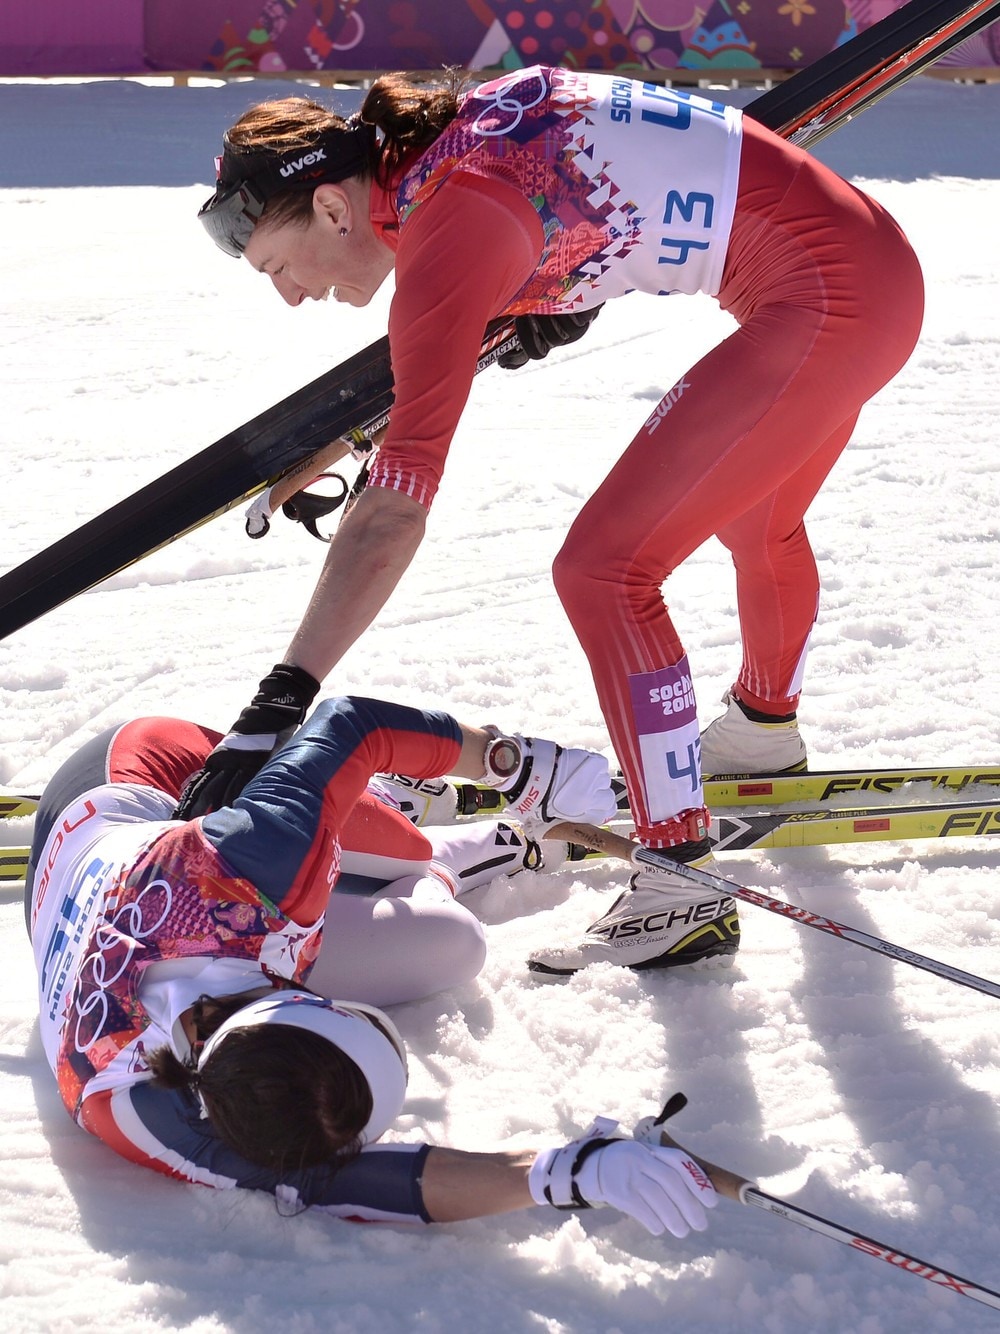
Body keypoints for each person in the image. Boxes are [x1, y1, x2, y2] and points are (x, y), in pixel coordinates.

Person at [191, 65, 924, 975]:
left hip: (824, 301)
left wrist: (283, 696)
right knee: (760, 519)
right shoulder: (448, 146)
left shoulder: (447, 227)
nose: (290, 295)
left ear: (335, 211)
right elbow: (614, 173)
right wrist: (559, 288)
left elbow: (394, 511)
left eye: (276, 266)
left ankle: (679, 881)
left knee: (603, 571)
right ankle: (762, 731)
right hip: (872, 268)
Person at [27, 694, 717, 1233]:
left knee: (404, 849)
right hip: (76, 900)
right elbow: (350, 1184)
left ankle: (405, 819)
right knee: (452, 945)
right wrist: (560, 1175)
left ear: (309, 999)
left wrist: (511, 763)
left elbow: (351, 724)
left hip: (138, 774)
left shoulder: (247, 868)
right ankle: (475, 849)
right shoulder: (143, 1113)